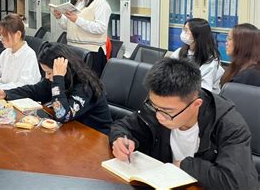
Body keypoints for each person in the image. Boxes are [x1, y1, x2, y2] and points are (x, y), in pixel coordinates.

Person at [110, 58, 258, 189]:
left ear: (196, 104)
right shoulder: (158, 107)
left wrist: (184, 165)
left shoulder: (228, 125)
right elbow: (122, 126)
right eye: (154, 106)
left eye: (167, 111)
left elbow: (237, 183)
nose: (159, 116)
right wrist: (120, 139)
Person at [0, 43, 113, 134]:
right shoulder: (58, 79)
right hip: (73, 131)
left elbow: (62, 115)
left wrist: (58, 78)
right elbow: (35, 91)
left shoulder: (85, 86)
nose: (47, 77)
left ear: (65, 70)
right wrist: (6, 93)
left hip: (95, 137)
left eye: (50, 73)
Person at [52, 0, 111, 76]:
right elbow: (67, 27)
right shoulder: (75, 2)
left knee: (89, 88)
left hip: (92, 52)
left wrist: (77, 19)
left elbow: (100, 28)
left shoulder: (100, 3)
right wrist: (60, 17)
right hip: (73, 50)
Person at [170, 18, 224, 93]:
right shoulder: (180, 51)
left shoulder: (211, 59)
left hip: (204, 97)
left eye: (186, 30)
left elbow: (204, 90)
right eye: (183, 30)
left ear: (197, 35)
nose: (183, 33)